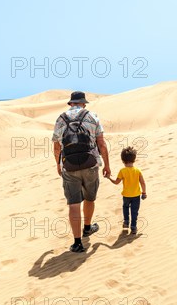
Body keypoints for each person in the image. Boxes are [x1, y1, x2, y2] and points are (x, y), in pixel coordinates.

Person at [52, 91, 111, 253]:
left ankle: (77, 242)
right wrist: (107, 165)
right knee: (90, 198)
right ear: (83, 103)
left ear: (71, 103)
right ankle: (87, 228)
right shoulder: (93, 117)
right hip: (91, 164)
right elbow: (102, 144)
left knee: (73, 203)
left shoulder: (61, 118)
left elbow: (57, 147)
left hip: (69, 166)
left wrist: (58, 164)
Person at [105, 146, 147, 234]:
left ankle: (126, 222)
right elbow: (143, 183)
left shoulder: (122, 171)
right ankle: (134, 227)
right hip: (136, 195)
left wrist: (109, 177)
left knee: (125, 208)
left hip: (126, 195)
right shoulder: (138, 171)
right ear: (134, 159)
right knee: (134, 211)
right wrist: (144, 193)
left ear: (123, 161)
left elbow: (116, 182)